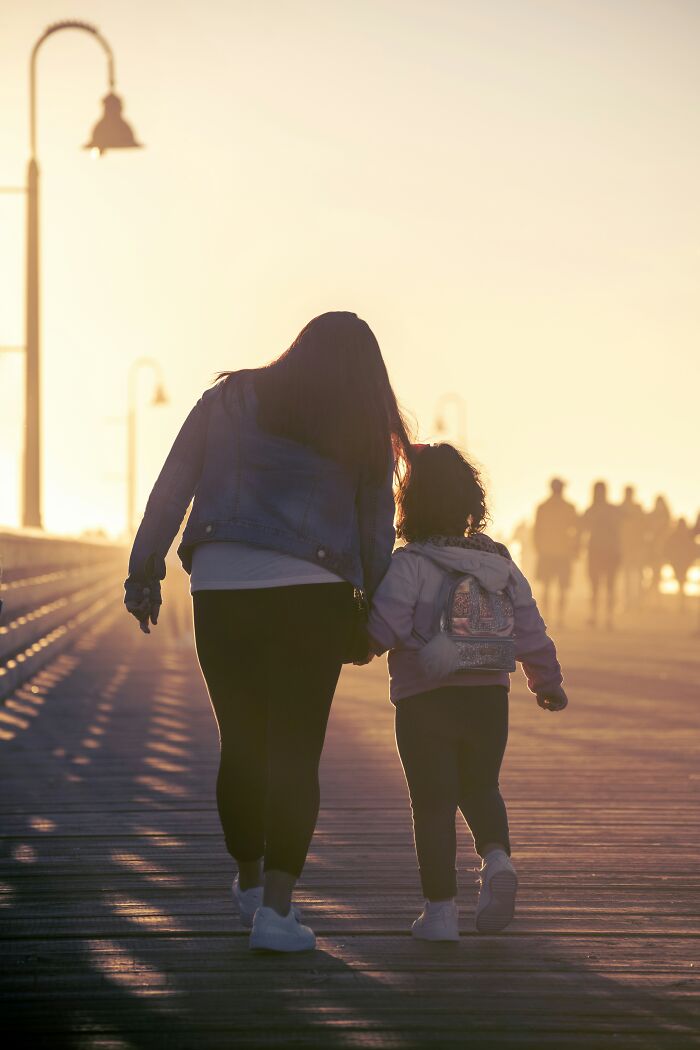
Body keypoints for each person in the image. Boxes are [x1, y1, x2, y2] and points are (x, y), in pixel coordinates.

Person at [125, 311, 412, 952]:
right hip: (314, 593)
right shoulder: (357, 419)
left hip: (222, 585)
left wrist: (144, 571)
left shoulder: (227, 398)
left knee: (242, 739)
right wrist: (374, 610)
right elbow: (374, 525)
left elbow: (173, 488)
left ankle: (249, 884)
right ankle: (277, 914)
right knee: (297, 750)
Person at [367, 444, 567, 942]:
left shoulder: (410, 561)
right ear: (470, 502)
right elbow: (529, 628)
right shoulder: (499, 562)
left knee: (432, 803)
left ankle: (439, 915)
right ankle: (497, 858)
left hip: (424, 696)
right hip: (488, 696)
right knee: (481, 785)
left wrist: (357, 641)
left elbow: (384, 628)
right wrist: (547, 681)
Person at [533, 478, 578, 628]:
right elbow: (575, 531)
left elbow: (536, 530)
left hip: (547, 551)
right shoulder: (569, 507)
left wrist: (538, 547)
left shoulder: (543, 507)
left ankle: (547, 617)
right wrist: (575, 549)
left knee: (547, 586)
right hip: (562, 552)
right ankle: (559, 618)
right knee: (561, 587)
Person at [580, 481, 622, 629]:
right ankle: (605, 617)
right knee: (607, 586)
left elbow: (582, 528)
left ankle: (598, 616)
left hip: (598, 551)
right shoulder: (613, 509)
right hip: (610, 551)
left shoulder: (592, 509)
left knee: (597, 586)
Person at [619, 485, 646, 609]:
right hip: (629, 546)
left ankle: (637, 602)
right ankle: (631, 602)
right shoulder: (632, 508)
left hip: (633, 546)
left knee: (634, 575)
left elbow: (643, 526)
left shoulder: (633, 508)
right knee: (630, 575)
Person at [665, 518, 698, 611]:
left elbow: (667, 549)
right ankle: (681, 604)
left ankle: (681, 604)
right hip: (681, 563)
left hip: (679, 563)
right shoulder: (685, 535)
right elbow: (694, 549)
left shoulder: (675, 535)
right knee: (681, 582)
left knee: (681, 582)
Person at [644, 496, 672, 602]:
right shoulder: (653, 517)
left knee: (656, 576)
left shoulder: (664, 520)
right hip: (651, 552)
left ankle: (654, 599)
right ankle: (651, 599)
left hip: (660, 552)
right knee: (653, 577)